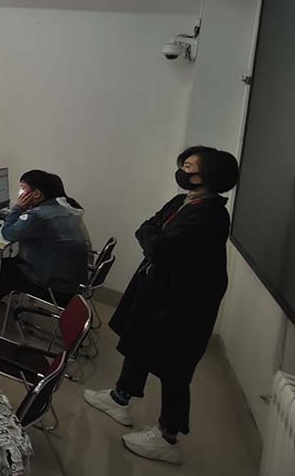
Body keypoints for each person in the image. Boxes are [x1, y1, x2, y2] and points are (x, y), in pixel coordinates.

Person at [85, 147, 240, 465]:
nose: (182, 170)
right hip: (159, 291)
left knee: (175, 367)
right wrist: (152, 237)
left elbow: (160, 246)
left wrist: (153, 238)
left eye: (189, 166)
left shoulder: (210, 214)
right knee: (139, 345)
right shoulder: (184, 200)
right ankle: (120, 398)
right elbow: (148, 227)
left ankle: (168, 437)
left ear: (207, 175)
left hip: (185, 303)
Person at [0, 168, 90, 304]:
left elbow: (8, 232)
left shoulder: (38, 215)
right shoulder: (60, 209)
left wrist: (18, 207)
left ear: (36, 194)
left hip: (55, 288)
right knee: (7, 265)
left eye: (23, 189)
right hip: (71, 283)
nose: (20, 193)